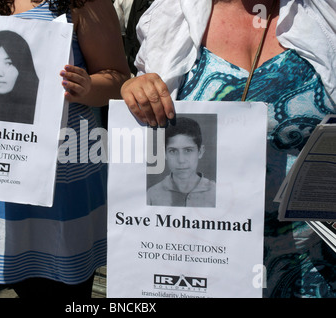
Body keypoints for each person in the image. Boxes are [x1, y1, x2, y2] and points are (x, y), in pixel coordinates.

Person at [121, 0, 336, 297]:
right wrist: (135, 90)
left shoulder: (325, 15)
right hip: (204, 262)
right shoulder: (172, 17)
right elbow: (148, 119)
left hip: (314, 263)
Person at [0, 0, 130, 298]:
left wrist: (88, 86)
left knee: (68, 290)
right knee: (25, 286)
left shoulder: (85, 3)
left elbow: (118, 78)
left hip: (64, 185)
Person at [147, 116, 216, 207]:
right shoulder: (152, 194)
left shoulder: (216, 191)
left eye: (188, 150)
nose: (181, 160)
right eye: (173, 151)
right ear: (164, 153)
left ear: (200, 152)